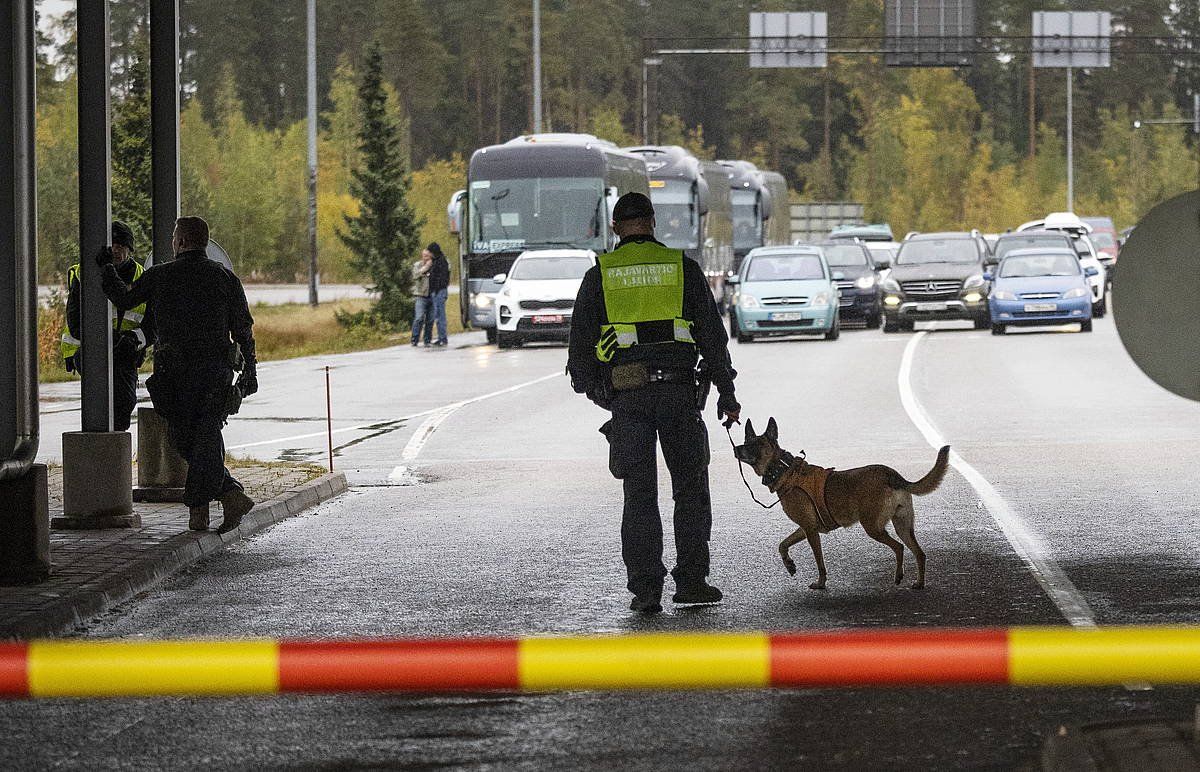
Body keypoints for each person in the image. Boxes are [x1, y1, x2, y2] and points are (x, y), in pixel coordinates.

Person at [567, 192, 741, 614]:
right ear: (653, 223)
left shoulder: (601, 275)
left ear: (615, 228)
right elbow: (712, 338)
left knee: (639, 496)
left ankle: (646, 592)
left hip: (629, 400)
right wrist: (726, 392)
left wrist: (602, 392)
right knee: (690, 491)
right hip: (681, 396)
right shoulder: (682, 269)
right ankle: (692, 582)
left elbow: (579, 355)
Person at [98, 216, 258, 534]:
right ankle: (229, 495)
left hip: (176, 374)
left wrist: (106, 269)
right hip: (216, 374)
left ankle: (200, 511)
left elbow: (124, 298)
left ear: (182, 242)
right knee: (203, 439)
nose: (173, 242)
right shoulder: (225, 278)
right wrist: (250, 371)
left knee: (189, 439)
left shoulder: (161, 276)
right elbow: (243, 329)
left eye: (174, 237)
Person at [60, 220, 153, 432]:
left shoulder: (142, 277)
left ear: (130, 248)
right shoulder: (84, 274)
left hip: (127, 352)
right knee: (101, 400)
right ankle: (104, 449)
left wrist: (133, 340)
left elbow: (151, 323)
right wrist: (108, 337)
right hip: (91, 350)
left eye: (122, 246)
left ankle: (114, 447)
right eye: (113, 246)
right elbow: (74, 321)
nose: (117, 251)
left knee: (125, 402)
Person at [427, 243, 450, 347]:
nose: (429, 254)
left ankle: (443, 338)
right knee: (438, 315)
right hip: (436, 291)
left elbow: (442, 278)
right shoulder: (436, 261)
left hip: (439, 291)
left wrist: (436, 289)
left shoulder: (441, 262)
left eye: (430, 252)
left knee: (440, 315)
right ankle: (441, 337)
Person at [411, 249, 433, 347]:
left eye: (428, 256)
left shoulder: (434, 266)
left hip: (432, 296)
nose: (426, 258)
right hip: (421, 296)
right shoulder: (417, 265)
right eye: (424, 256)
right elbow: (415, 275)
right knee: (419, 318)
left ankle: (427, 340)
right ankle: (414, 339)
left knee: (430, 319)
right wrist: (426, 267)